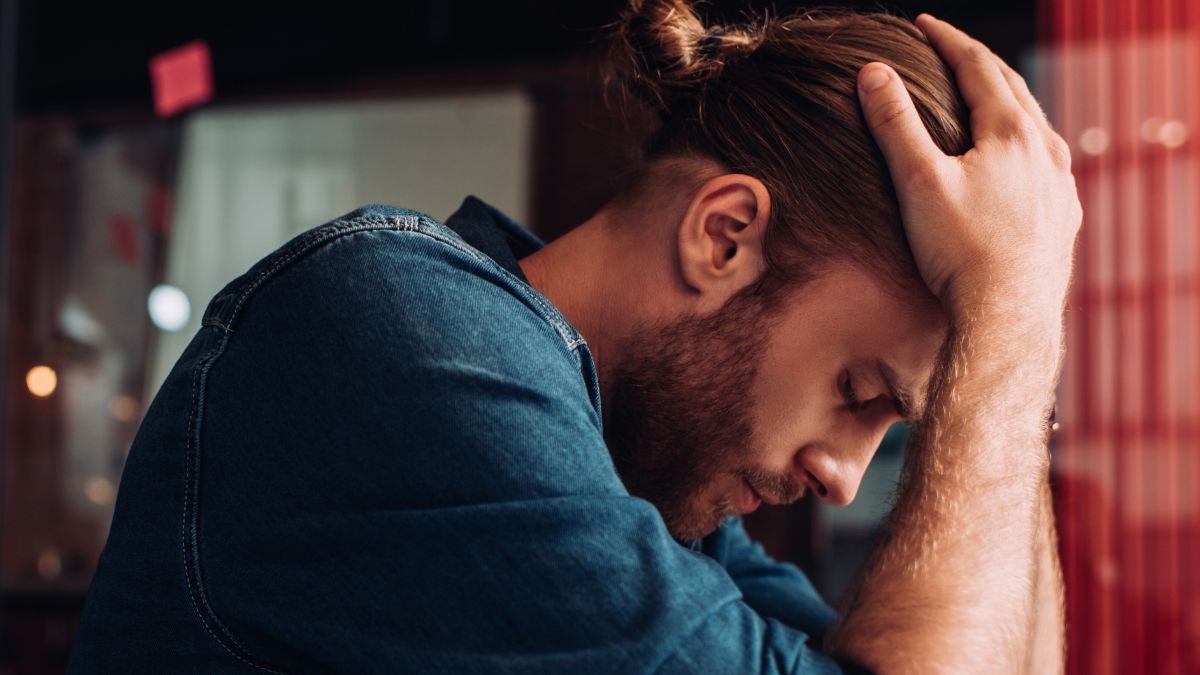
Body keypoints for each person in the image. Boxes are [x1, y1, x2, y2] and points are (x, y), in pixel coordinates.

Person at [68, 2, 1080, 673]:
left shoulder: (630, 478)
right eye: (860, 390)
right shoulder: (397, 335)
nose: (844, 477)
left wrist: (1014, 344)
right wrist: (1012, 317)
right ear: (723, 235)